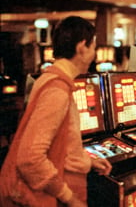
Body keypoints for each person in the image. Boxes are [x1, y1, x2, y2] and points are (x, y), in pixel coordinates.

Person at [0, 16, 112, 207]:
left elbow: (61, 143)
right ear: (82, 47)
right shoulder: (56, 90)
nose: (94, 54)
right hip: (54, 196)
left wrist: (86, 161)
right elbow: (30, 159)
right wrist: (69, 198)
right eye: (93, 47)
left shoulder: (50, 79)